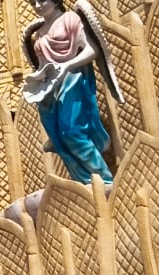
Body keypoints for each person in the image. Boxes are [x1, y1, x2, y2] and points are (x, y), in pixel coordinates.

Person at [21, 0, 123, 187]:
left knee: (72, 132)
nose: (37, 5)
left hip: (72, 80)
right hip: (49, 88)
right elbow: (43, 64)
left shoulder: (70, 19)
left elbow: (92, 49)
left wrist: (68, 65)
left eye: (42, 0)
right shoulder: (39, 32)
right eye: (33, 2)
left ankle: (105, 181)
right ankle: (84, 182)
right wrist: (37, 79)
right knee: (58, 137)